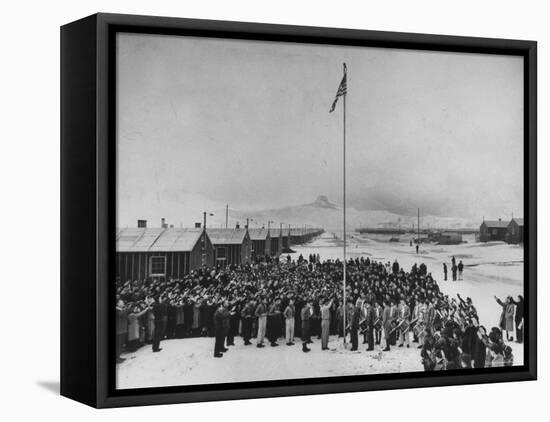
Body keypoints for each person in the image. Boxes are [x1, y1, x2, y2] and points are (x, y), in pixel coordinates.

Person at [116, 299, 130, 363]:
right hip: (119, 331)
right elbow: (121, 314)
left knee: (121, 345)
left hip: (123, 329)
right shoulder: (117, 310)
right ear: (118, 304)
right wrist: (127, 308)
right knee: (118, 345)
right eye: (121, 302)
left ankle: (118, 357)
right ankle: (117, 358)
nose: (123, 303)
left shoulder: (122, 310)